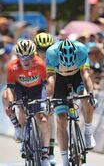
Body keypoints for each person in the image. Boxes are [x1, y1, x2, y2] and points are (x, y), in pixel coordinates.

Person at [45, 39, 96, 166]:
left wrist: (90, 93)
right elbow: (51, 78)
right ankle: (65, 161)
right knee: (61, 119)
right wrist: (49, 98)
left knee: (86, 98)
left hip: (77, 76)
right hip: (59, 80)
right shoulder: (51, 53)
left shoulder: (82, 50)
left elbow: (85, 75)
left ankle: (88, 132)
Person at [4, 40, 50, 166]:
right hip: (21, 89)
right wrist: (11, 103)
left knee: (43, 120)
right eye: (22, 57)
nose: (26, 60)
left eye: (29, 56)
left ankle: (45, 155)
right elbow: (10, 89)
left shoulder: (40, 64)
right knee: (6, 97)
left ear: (34, 55)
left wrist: (49, 99)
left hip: (36, 89)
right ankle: (18, 128)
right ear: (18, 56)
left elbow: (47, 85)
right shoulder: (12, 67)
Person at [33, 32, 57, 166]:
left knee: (50, 114)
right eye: (41, 50)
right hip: (34, 86)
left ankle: (51, 151)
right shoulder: (31, 58)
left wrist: (50, 98)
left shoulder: (53, 58)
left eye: (47, 49)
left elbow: (52, 79)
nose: (44, 53)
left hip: (48, 85)